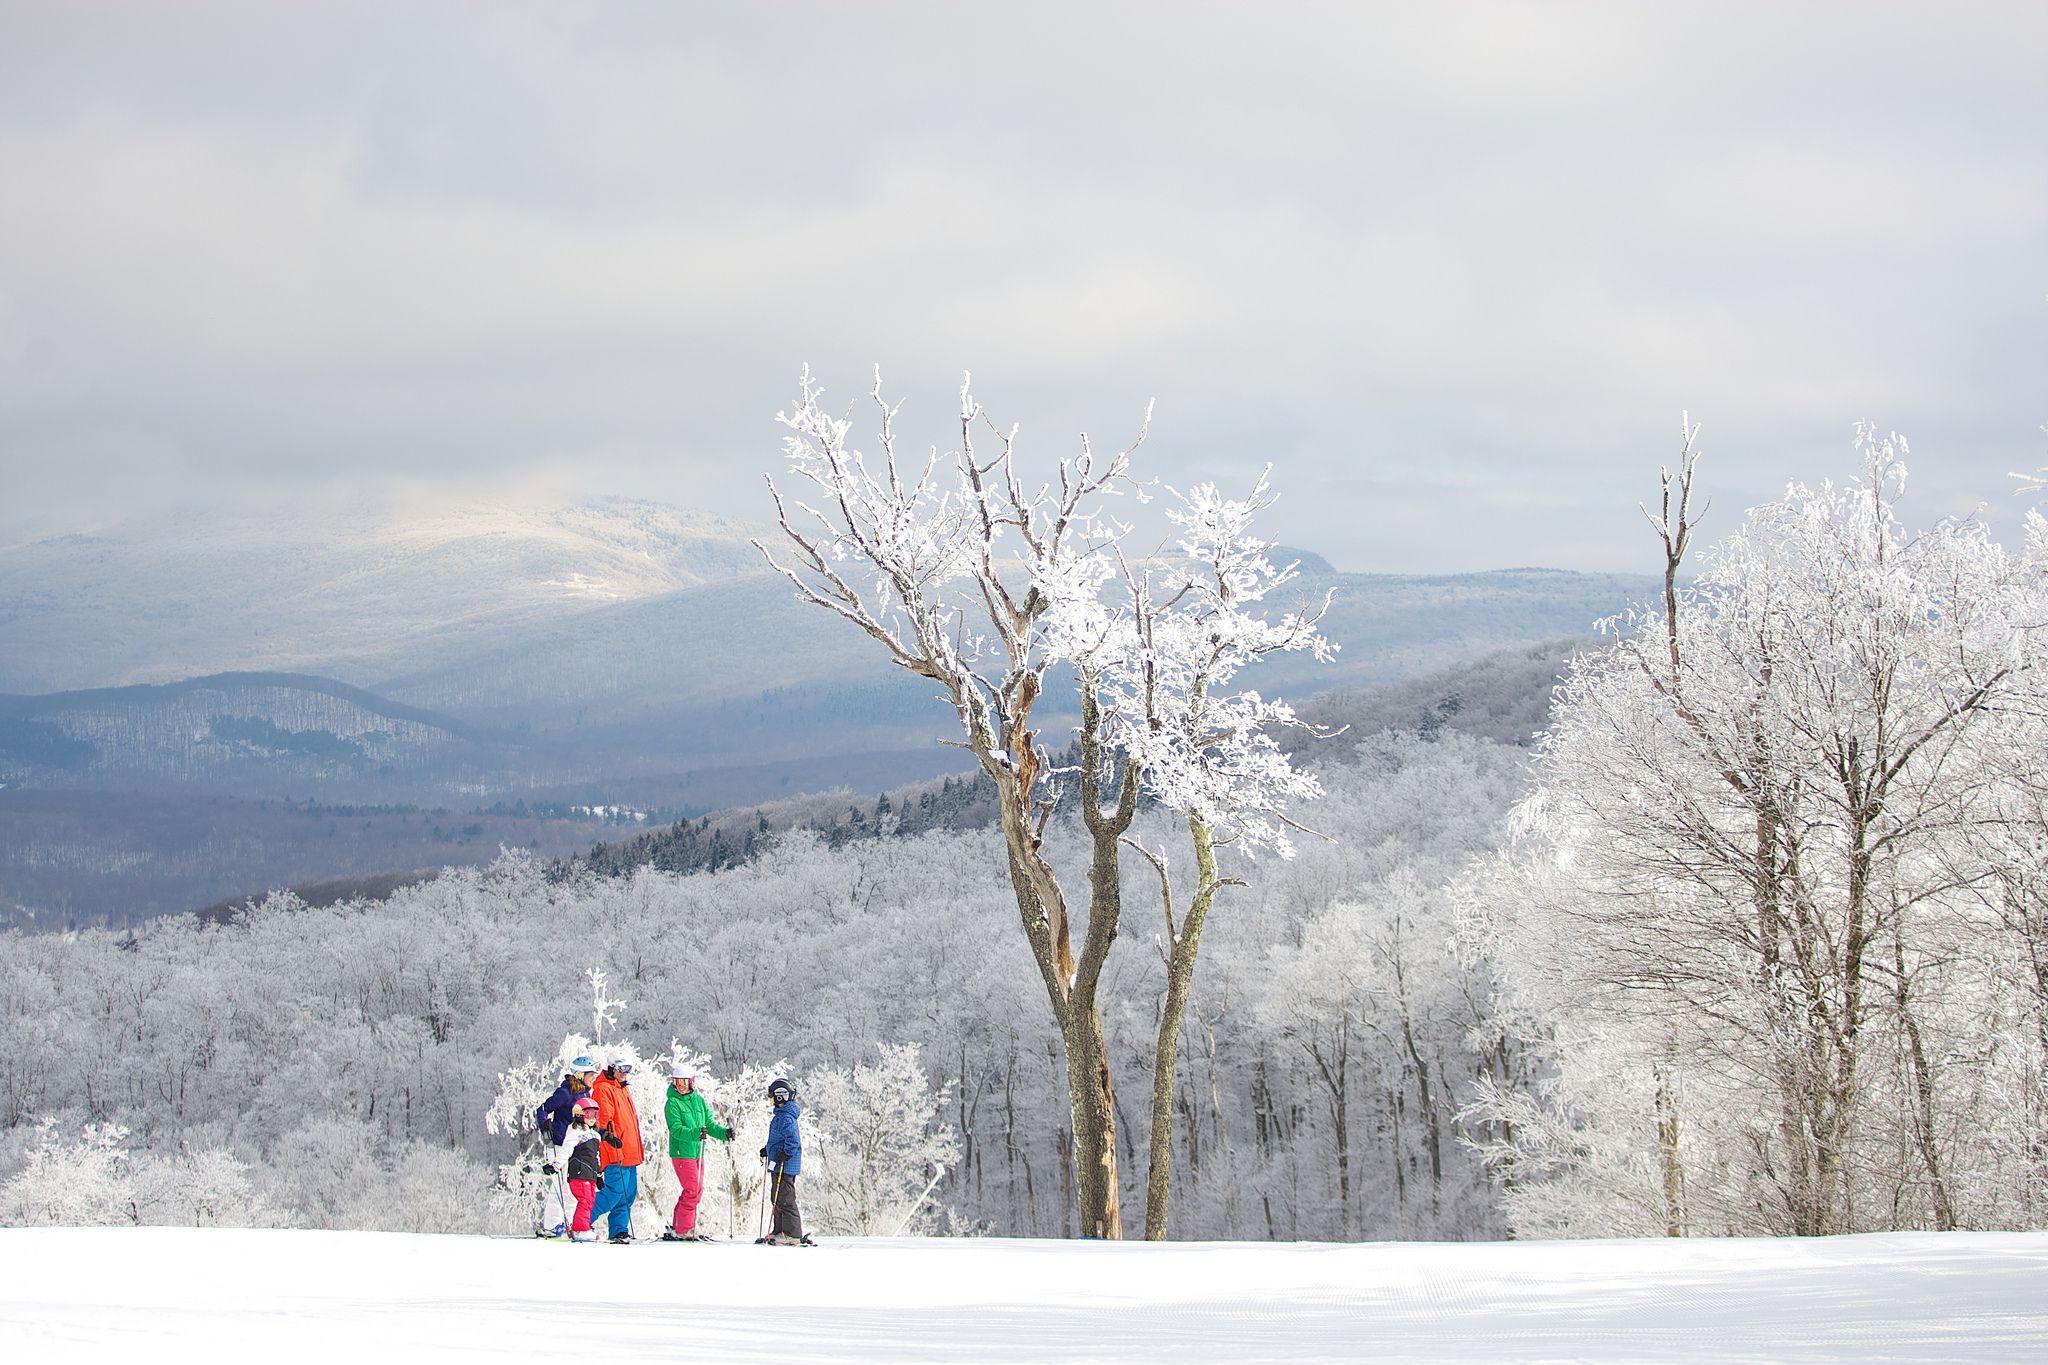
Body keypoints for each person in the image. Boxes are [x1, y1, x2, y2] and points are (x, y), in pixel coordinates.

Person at [660, 1063, 733, 1241]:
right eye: (677, 1081)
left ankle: (678, 1224)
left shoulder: (699, 1101)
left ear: (691, 1082)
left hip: (697, 1152)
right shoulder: (672, 1103)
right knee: (692, 1189)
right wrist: (695, 1133)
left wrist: (725, 1133)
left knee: (696, 1190)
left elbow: (709, 1125)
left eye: (684, 1081)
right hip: (682, 1152)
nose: (681, 1085)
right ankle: (684, 1228)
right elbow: (676, 1129)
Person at [534, 1056, 599, 1237]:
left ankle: (568, 1223)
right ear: (579, 1074)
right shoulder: (565, 1092)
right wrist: (544, 1125)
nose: (593, 1077)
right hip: (559, 1143)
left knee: (572, 1188)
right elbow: (542, 1109)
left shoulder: (585, 1094)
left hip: (575, 1146)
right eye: (590, 1074)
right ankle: (552, 1226)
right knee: (560, 1187)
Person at [587, 1057, 644, 1243]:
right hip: (616, 1150)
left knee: (627, 1194)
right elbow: (603, 1118)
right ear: (611, 1069)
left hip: (630, 1151)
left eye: (627, 1070)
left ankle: (619, 1230)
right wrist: (607, 1136)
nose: (624, 1074)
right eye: (621, 1069)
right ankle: (581, 1222)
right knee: (613, 1192)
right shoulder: (603, 1088)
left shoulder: (623, 1088)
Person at [759, 1076, 812, 1246]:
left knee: (786, 1198)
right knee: (777, 1197)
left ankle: (792, 1234)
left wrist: (786, 1153)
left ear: (780, 1096)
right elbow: (777, 1139)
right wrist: (767, 1150)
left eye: (772, 1096)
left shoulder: (786, 1118)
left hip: (785, 1165)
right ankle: (779, 1230)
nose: (770, 1099)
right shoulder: (780, 1116)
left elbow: (793, 1140)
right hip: (777, 1163)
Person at [563, 1096, 606, 1242]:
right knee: (585, 1201)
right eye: (589, 1114)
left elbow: (596, 1157)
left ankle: (580, 1227)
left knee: (590, 1200)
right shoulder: (576, 1133)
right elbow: (566, 1150)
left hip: (591, 1175)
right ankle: (581, 1230)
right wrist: (555, 1165)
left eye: (595, 1114)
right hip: (579, 1173)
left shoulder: (595, 1135)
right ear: (580, 1115)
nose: (593, 1118)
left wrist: (599, 1175)